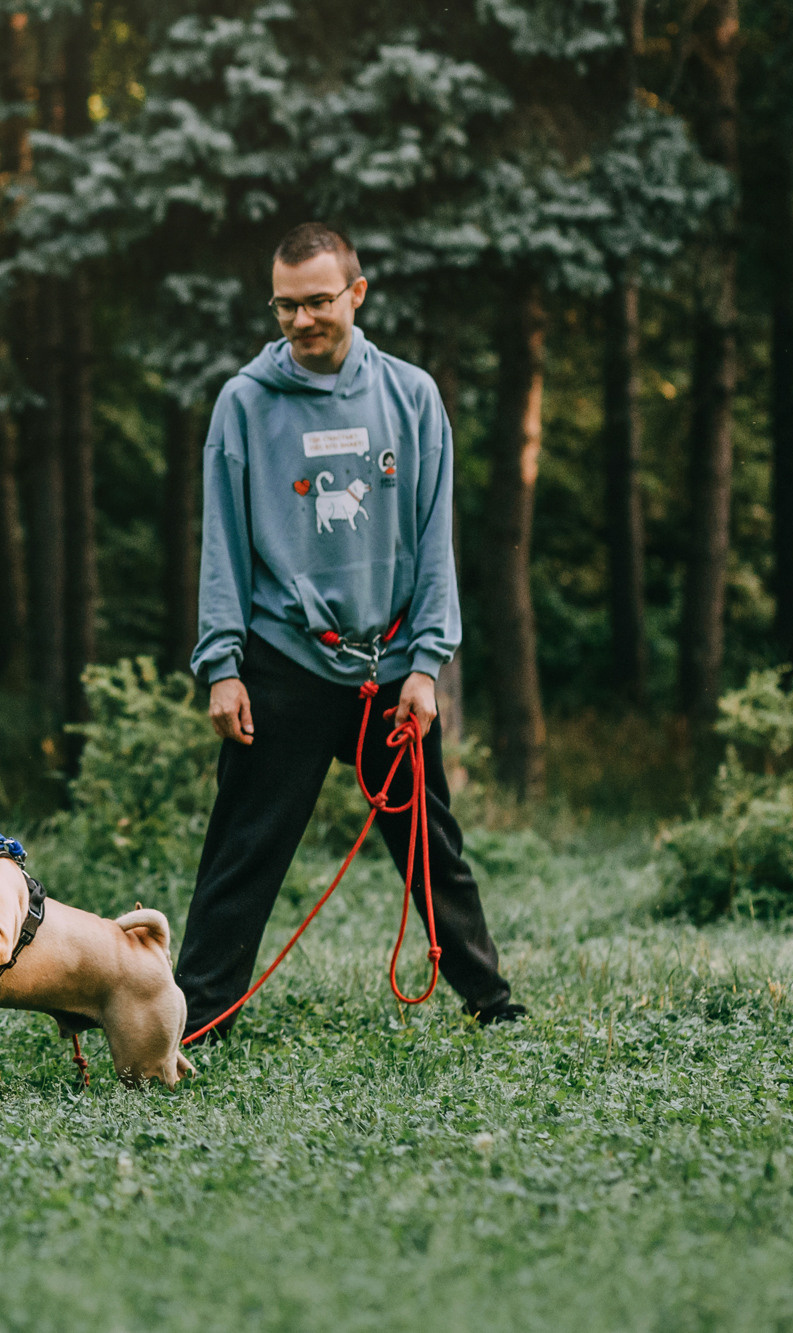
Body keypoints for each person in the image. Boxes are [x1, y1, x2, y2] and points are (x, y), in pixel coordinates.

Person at [176, 222, 525, 1040]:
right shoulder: (245, 403)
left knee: (431, 845)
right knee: (243, 851)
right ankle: (195, 1017)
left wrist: (427, 664)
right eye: (286, 305)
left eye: (319, 301)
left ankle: (492, 1001)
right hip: (284, 662)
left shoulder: (411, 395)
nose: (302, 320)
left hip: (392, 662)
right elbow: (222, 541)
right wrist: (222, 663)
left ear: (356, 294)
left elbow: (436, 536)